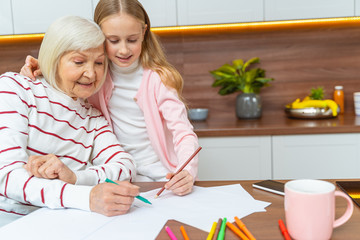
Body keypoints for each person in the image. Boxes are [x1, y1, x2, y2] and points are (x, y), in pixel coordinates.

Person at [21, 0, 199, 196]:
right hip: (115, 175)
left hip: (162, 176)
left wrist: (186, 171)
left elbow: (183, 133)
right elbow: (68, 77)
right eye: (113, 41)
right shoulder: (95, 77)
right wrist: (45, 67)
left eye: (132, 40)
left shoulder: (159, 79)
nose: (124, 50)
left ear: (144, 33)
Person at [0, 15, 139, 226]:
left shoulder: (92, 117)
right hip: (12, 224)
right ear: (54, 59)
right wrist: (85, 196)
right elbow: (6, 177)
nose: (91, 73)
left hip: (66, 223)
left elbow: (126, 166)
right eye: (79, 61)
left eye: (99, 62)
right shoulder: (15, 89)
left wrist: (75, 177)